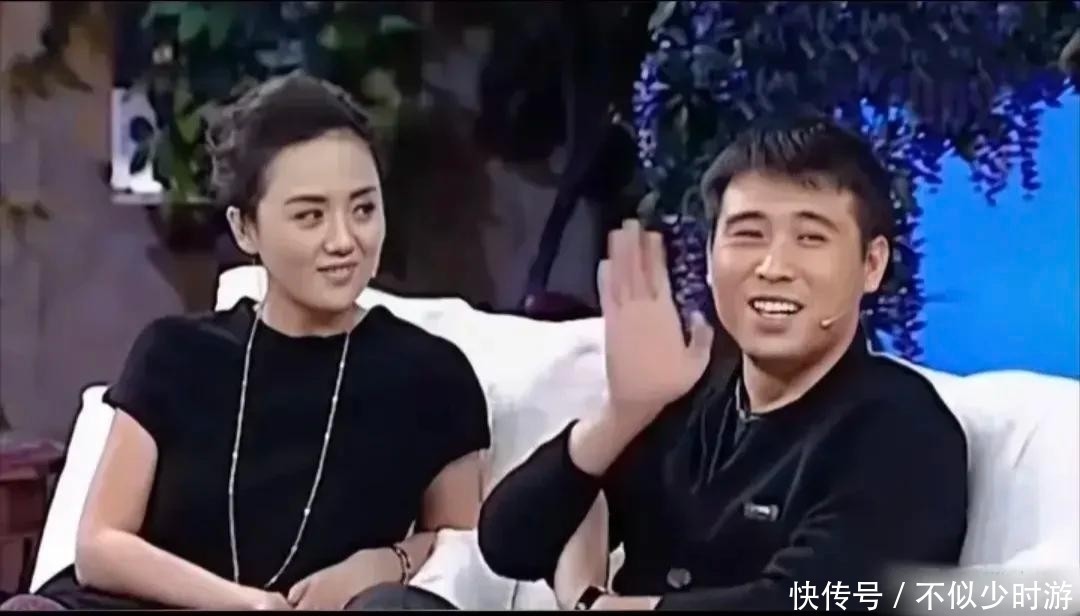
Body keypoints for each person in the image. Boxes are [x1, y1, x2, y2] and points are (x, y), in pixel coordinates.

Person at [2, 72, 489, 611]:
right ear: (245, 229)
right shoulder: (176, 353)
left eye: (363, 209)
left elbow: (464, 549)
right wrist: (245, 605)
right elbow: (101, 546)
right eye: (310, 216)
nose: (344, 240)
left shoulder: (431, 375)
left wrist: (385, 562)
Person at [477, 115, 968, 610]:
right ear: (710, 258)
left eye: (810, 238)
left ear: (872, 265)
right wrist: (621, 415)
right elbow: (509, 546)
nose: (773, 268)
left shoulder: (901, 429)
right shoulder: (685, 392)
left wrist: (596, 606)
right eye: (748, 235)